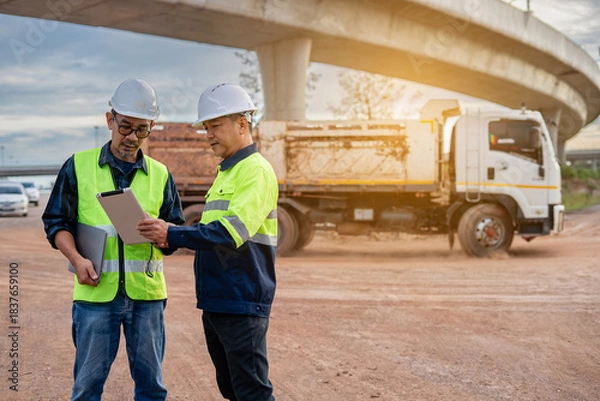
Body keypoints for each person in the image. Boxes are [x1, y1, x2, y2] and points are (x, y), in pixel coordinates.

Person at [42, 78, 185, 401]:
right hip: (95, 295)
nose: (132, 137)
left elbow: (175, 234)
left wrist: (163, 233)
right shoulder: (77, 166)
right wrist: (77, 260)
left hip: (146, 297)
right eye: (126, 127)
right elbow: (55, 223)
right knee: (87, 388)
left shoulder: (161, 175)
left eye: (142, 130)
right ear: (110, 120)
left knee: (151, 389)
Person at [137, 82, 278, 401]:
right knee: (232, 389)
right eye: (206, 128)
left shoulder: (255, 171)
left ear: (243, 124)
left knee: (252, 391)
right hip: (219, 299)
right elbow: (210, 235)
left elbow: (230, 233)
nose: (209, 134)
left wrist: (172, 233)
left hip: (242, 299)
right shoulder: (227, 172)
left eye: (215, 126)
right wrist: (164, 238)